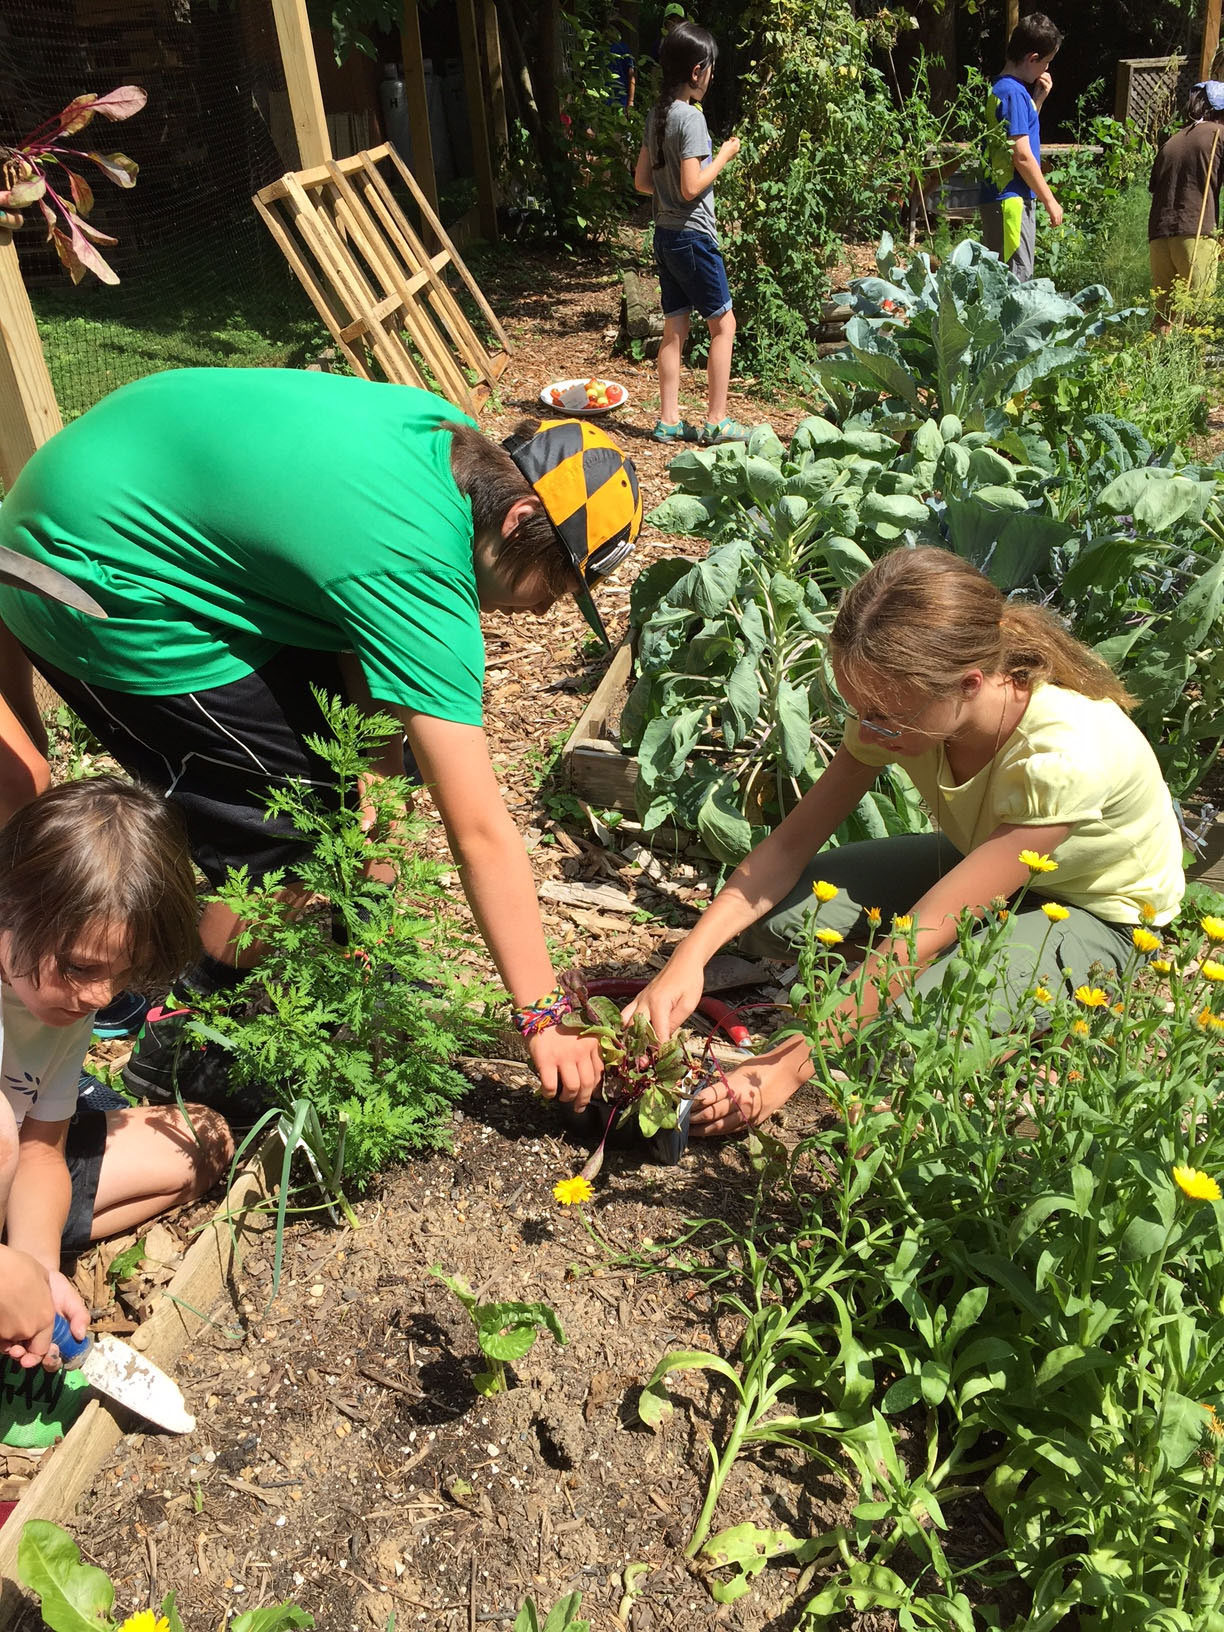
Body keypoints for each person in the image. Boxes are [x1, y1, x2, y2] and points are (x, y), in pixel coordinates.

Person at [0, 368, 642, 1113]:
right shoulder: (421, 568)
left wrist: (379, 811)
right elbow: (480, 832)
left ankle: (349, 954)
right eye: (555, 588)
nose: (542, 615)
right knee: (293, 826)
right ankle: (182, 1041)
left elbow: (351, 642)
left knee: (340, 799)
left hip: (95, 497)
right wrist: (542, 1016)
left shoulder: (438, 444)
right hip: (89, 570)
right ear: (516, 518)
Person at [627, 546, 1185, 1135]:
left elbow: (920, 931)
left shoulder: (1061, 757)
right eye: (858, 707)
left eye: (886, 717)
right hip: (983, 862)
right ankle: (920, 984)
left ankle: (1011, 1009)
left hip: (1097, 909)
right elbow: (789, 849)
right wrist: (684, 962)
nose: (867, 729)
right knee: (785, 919)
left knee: (900, 1034)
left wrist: (788, 1065)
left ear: (969, 684)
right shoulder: (895, 705)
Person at [0, 778, 234, 1370]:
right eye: (81, 966)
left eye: (123, 974)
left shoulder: (63, 999)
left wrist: (38, 1270)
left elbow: (42, 1152)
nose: (101, 996)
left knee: (199, 1141)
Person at [634, 21, 746, 447]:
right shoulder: (691, 119)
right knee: (724, 325)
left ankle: (668, 421)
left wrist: (670, 188)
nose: (711, 77)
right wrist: (724, 156)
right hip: (693, 237)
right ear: (698, 71)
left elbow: (642, 181)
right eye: (711, 69)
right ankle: (717, 421)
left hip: (663, 235)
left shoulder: (656, 115)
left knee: (674, 328)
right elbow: (691, 186)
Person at [980, 12, 1064, 281]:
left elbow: (1017, 135)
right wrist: (1050, 201)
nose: (1046, 70)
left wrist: (1037, 101)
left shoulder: (1001, 88)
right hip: (1012, 203)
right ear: (1032, 58)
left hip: (1000, 201)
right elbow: (1022, 155)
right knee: (1014, 282)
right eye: (1047, 63)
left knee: (1001, 281)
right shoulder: (1014, 93)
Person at [1148, 81, 1224, 334]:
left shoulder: (1171, 142)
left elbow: (1155, 187)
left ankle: (1155, 368)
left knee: (1164, 315)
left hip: (1159, 235)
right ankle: (1193, 370)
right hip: (1196, 232)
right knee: (1198, 317)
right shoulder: (1218, 134)